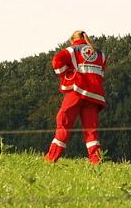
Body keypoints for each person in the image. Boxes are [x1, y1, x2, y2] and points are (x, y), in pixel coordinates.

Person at [45, 30, 106, 164]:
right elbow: (101, 71)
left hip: (76, 92)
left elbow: (56, 61)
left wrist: (66, 73)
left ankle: (51, 158)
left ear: (73, 40)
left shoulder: (72, 50)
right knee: (91, 131)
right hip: (94, 96)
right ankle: (96, 162)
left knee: (63, 123)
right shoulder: (101, 54)